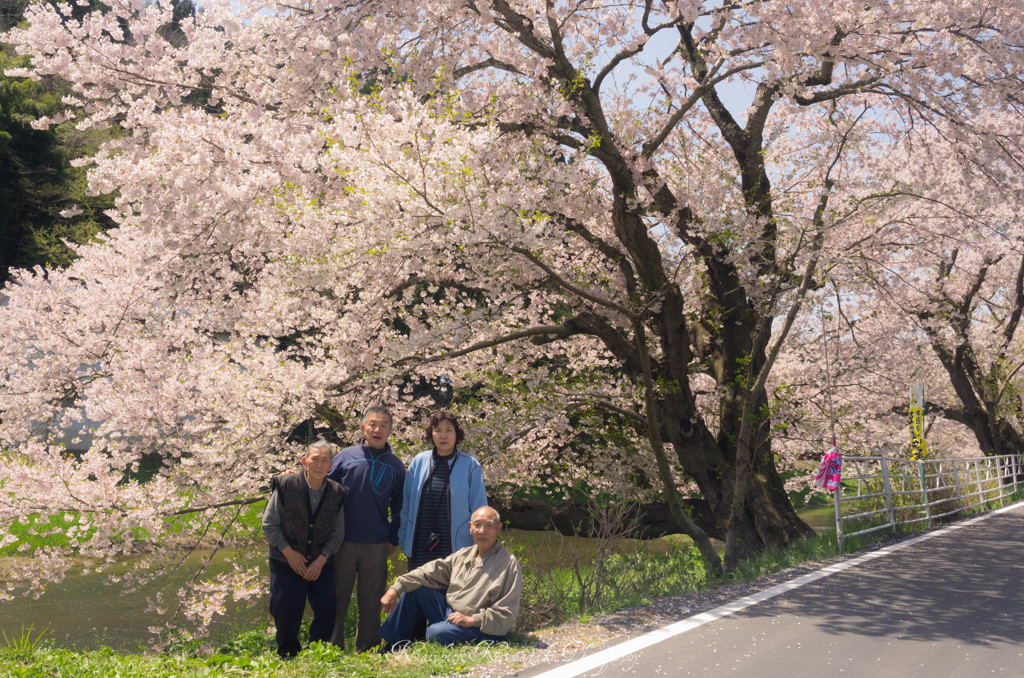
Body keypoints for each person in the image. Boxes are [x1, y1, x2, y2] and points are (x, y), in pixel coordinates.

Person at [377, 505, 522, 648]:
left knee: (435, 633)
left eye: (489, 526)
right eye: (477, 525)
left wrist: (471, 620)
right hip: (452, 614)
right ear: (471, 528)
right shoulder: (463, 555)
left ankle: (439, 632)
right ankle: (392, 646)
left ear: (499, 529)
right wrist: (395, 588)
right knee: (415, 591)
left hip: (483, 627)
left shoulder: (508, 564)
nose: (482, 531)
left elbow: (506, 615)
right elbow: (430, 571)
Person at [327, 405, 406, 652]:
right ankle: (332, 649)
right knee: (337, 598)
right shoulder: (346, 456)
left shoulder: (395, 465)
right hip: (343, 542)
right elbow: (323, 490)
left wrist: (393, 539)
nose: (377, 429)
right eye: (373, 424)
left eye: (384, 425)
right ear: (363, 428)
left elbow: (400, 506)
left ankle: (368, 649)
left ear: (391, 430)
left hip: (377, 543)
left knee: (371, 601)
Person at [261, 440, 346, 658]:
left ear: (330, 466)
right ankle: (288, 655)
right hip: (285, 561)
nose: (319, 465)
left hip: (321, 563)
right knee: (286, 610)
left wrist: (321, 560)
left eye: (324, 461)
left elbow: (338, 533)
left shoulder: (337, 493)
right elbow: (269, 524)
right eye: (314, 459)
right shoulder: (286, 485)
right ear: (304, 461)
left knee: (327, 608)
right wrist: (290, 554)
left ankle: (316, 653)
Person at [398, 410, 488, 570]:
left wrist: (480, 546)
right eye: (438, 430)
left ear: (456, 433)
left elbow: (479, 511)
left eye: (448, 430)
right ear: (431, 434)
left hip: (457, 548)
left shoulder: (470, 465)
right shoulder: (418, 462)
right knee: (418, 591)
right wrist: (404, 540)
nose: (443, 435)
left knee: (452, 593)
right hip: (420, 544)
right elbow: (406, 506)